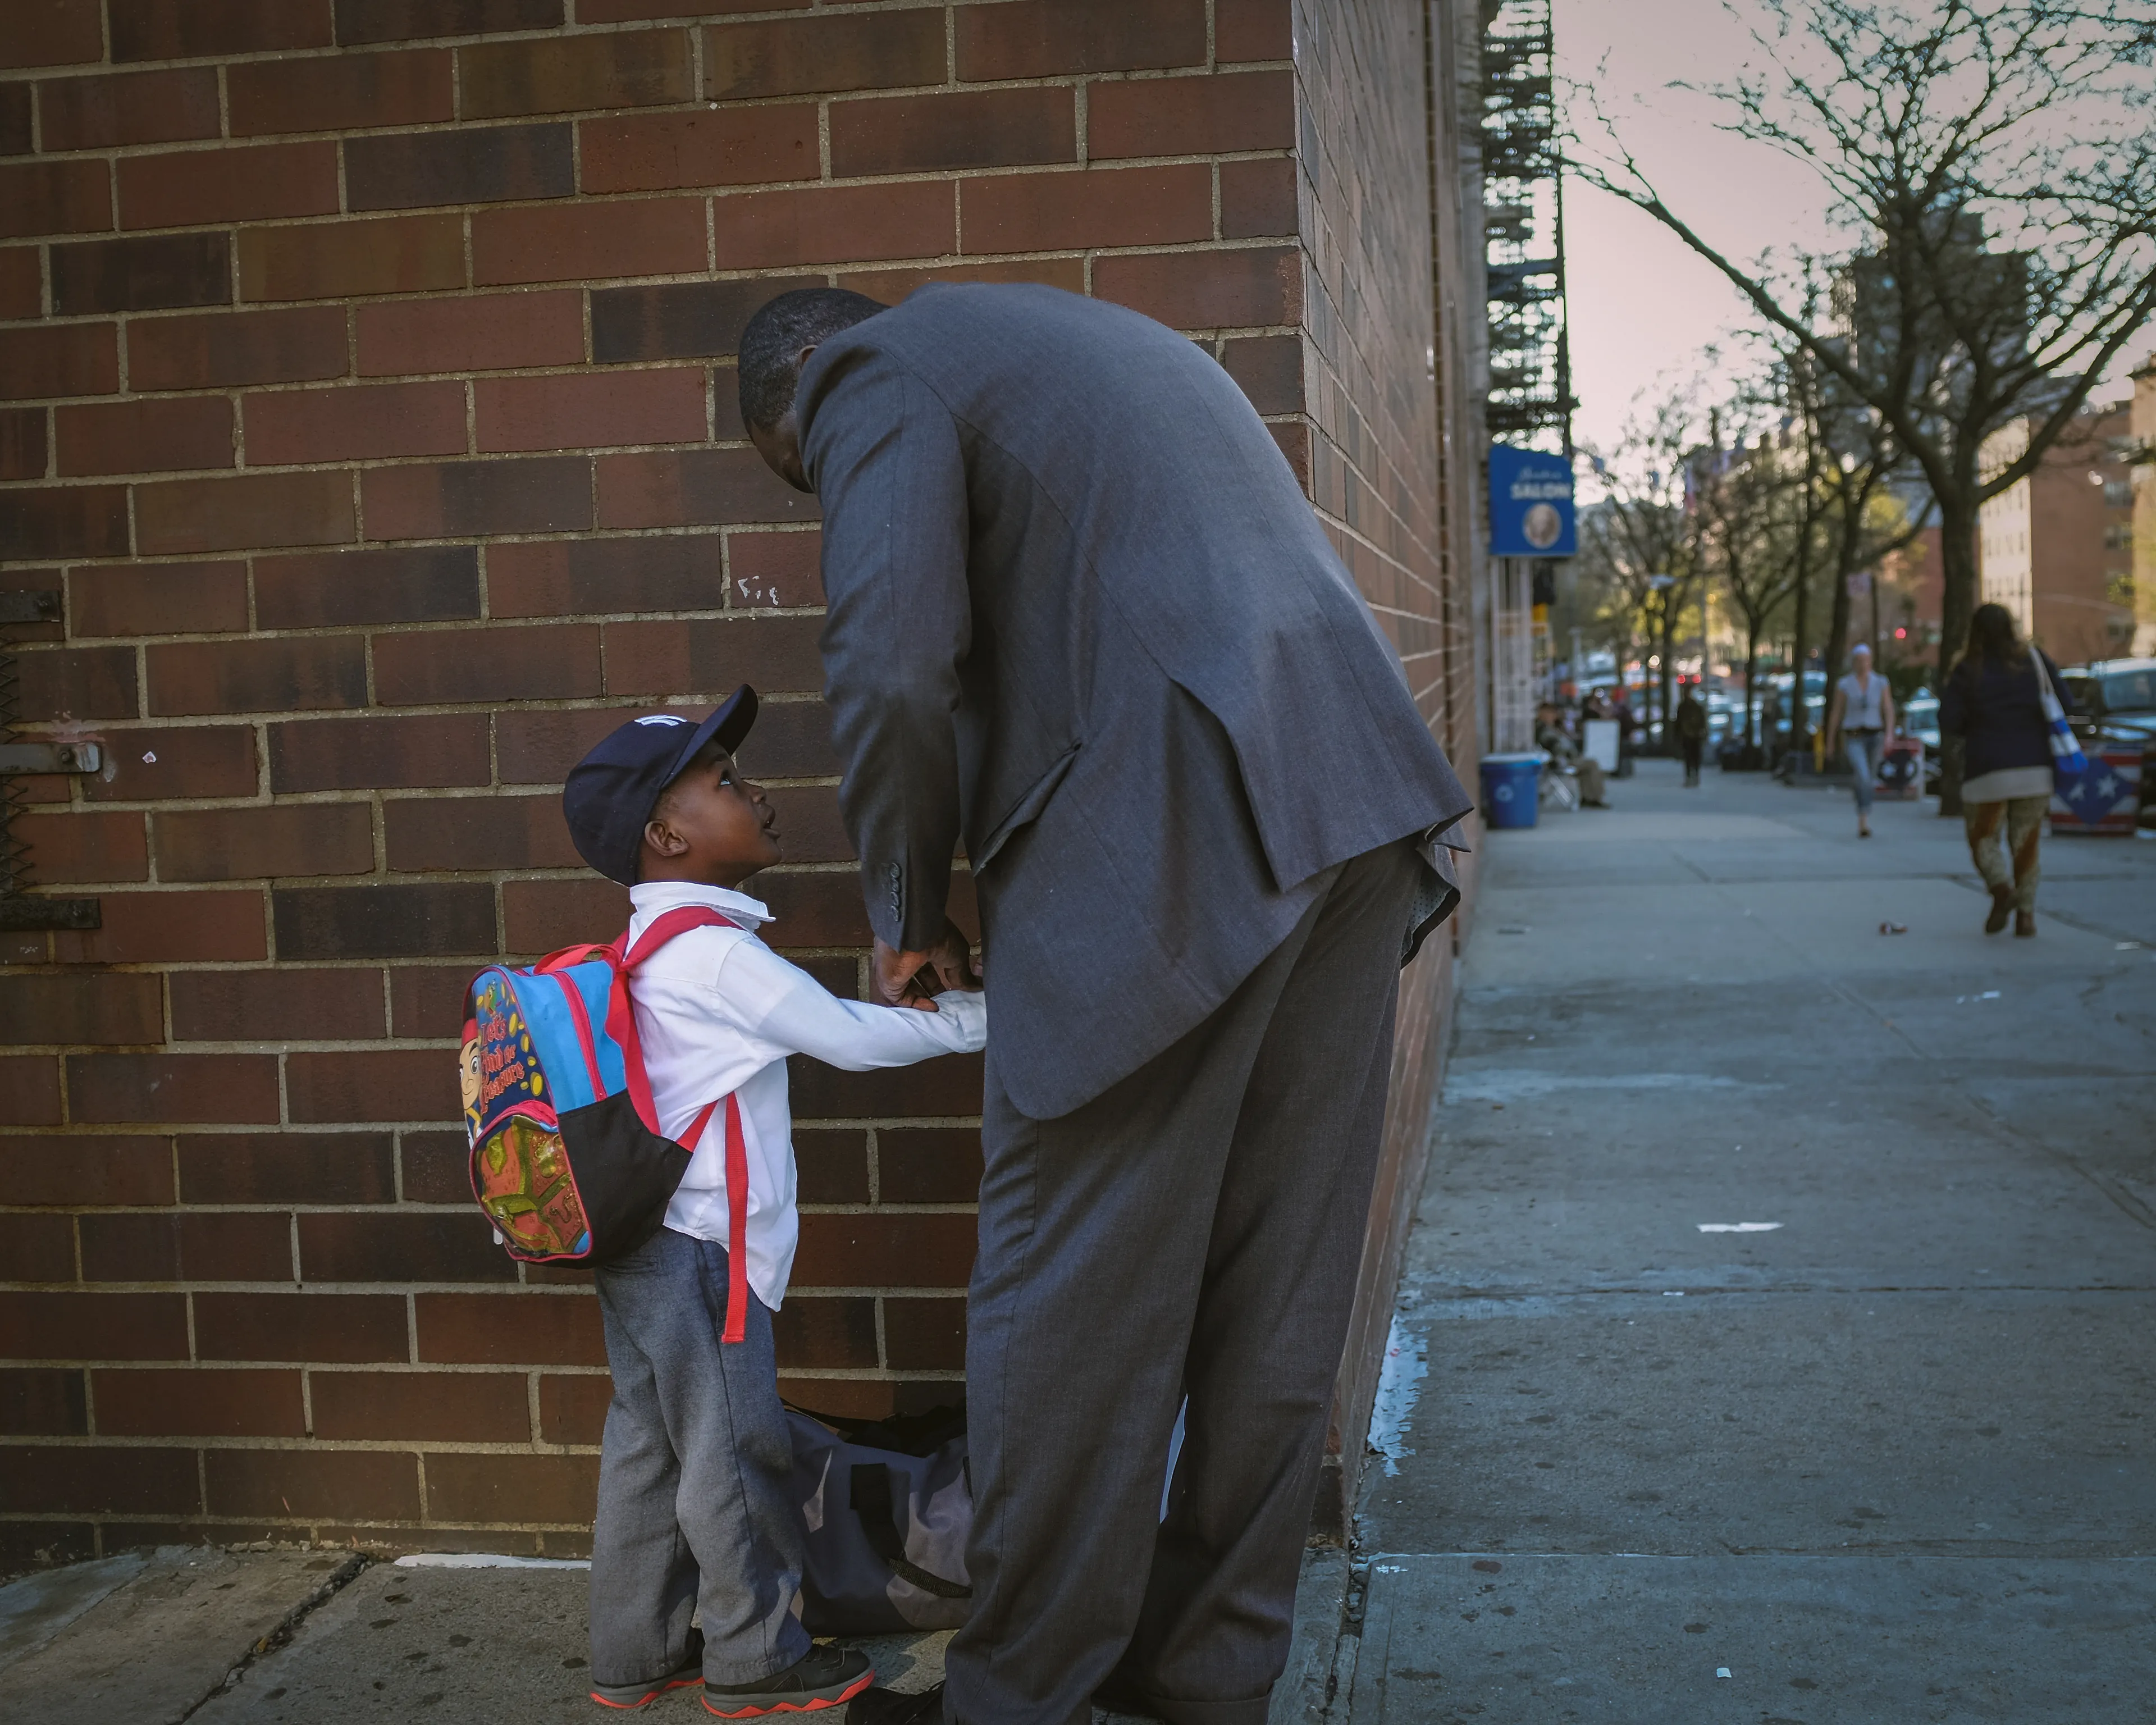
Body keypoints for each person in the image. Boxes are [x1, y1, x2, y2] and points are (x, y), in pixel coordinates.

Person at [738, 284, 1472, 1725]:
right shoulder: (1102, 343)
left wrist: (905, 910)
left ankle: (1018, 1702)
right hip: (1355, 798)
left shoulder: (868, 372)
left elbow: (891, 664)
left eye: (806, 472)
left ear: (800, 386)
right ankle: (1205, 1683)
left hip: (1178, 840)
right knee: (1275, 1293)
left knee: (1062, 1293)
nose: (826, 485)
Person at [559, 690, 986, 1715]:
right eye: (725, 782)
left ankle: (633, 1649)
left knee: (650, 1443)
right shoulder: (712, 955)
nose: (756, 792)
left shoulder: (659, 946)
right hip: (702, 1253)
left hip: (644, 1248)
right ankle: (755, 1655)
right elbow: (849, 1037)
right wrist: (985, 1018)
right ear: (668, 836)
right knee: (733, 1451)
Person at [1939, 603, 2069, 937]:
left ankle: (2001, 890)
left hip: (1987, 769)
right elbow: (2066, 702)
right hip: (2035, 768)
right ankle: (2026, 916)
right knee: (2026, 843)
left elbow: (1949, 720)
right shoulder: (2035, 660)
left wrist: (1975, 725)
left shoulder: (1968, 669)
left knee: (1983, 838)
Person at [1824, 643, 1897, 837]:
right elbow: (1836, 713)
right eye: (1859, 661)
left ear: (1871, 662)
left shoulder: (1881, 682)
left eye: (1866, 660)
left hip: (1875, 735)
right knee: (1863, 775)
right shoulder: (1845, 684)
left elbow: (1888, 708)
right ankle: (1863, 818)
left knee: (1869, 779)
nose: (1863, 664)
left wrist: (1890, 734)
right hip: (1854, 736)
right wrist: (1830, 742)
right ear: (1854, 662)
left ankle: (1863, 808)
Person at [1536, 700, 1605, 806]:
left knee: (1589, 765)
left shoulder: (1554, 727)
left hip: (1564, 758)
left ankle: (1590, 797)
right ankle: (1595, 798)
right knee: (1592, 764)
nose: (1553, 716)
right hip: (1559, 761)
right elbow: (1556, 746)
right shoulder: (1542, 729)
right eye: (1550, 713)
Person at [1673, 685, 1708, 787]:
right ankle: (1693, 776)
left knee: (1690, 757)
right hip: (1691, 735)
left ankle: (1692, 776)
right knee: (1692, 757)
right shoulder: (1694, 707)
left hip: (1690, 735)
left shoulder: (1685, 707)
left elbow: (1678, 723)